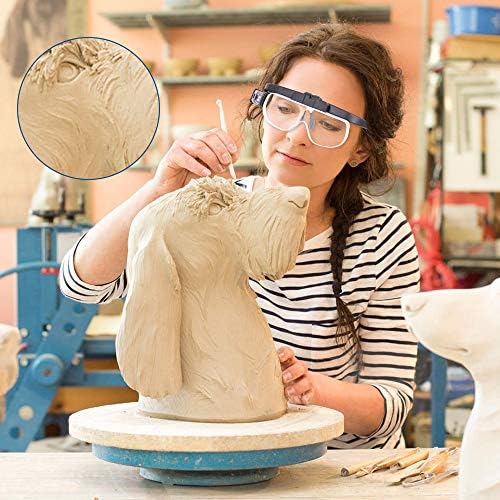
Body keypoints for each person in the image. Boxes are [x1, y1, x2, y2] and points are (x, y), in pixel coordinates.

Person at [60, 23, 420, 449]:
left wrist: (309, 389)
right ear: (262, 109)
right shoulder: (211, 209)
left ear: (361, 148)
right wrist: (160, 189)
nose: (296, 136)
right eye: (285, 107)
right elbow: (82, 284)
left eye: (329, 123)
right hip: (214, 457)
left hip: (334, 466)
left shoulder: (381, 234)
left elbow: (392, 403)